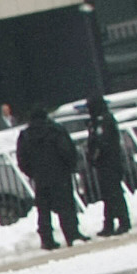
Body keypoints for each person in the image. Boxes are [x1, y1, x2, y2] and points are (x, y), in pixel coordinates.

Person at [15, 106, 84, 249]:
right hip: (60, 175)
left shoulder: (26, 135)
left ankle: (47, 240)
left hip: (40, 178)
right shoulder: (56, 131)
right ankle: (72, 235)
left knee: (44, 210)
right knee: (66, 207)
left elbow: (22, 159)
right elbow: (67, 151)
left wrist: (33, 173)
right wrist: (69, 167)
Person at [87, 101, 131, 236]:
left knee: (115, 194)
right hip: (104, 164)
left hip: (110, 163)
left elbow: (103, 142)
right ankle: (109, 223)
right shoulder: (96, 121)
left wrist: (95, 155)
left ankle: (123, 222)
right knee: (108, 195)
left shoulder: (105, 120)